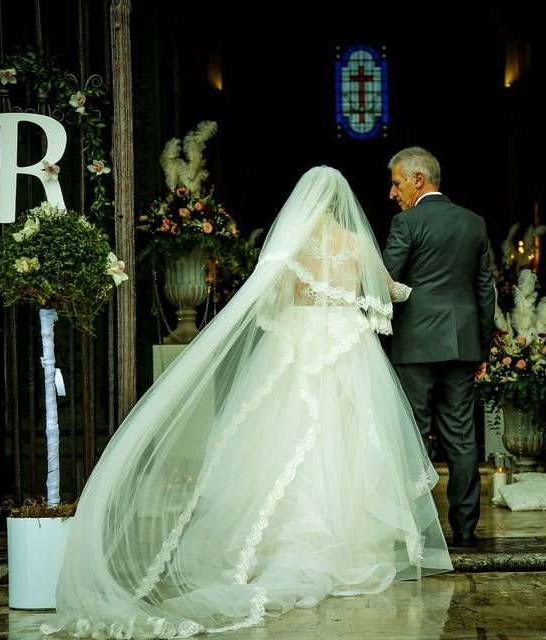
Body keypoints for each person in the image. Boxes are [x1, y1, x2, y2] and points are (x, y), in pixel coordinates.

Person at [42, 166, 452, 638]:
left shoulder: (294, 240)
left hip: (298, 340)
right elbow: (388, 292)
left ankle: (280, 548)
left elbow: (271, 297)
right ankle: (351, 550)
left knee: (283, 438)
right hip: (348, 344)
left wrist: (296, 296)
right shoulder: (358, 243)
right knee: (349, 441)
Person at [382, 147, 495, 549]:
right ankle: (465, 531)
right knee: (462, 437)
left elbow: (385, 279)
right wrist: (481, 348)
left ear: (417, 179)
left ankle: (416, 530)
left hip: (415, 344)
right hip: (463, 343)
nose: (393, 193)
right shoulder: (474, 223)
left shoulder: (406, 223)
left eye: (397, 183)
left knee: (411, 434)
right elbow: (486, 289)